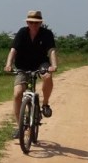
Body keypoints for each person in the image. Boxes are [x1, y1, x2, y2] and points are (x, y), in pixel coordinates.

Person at [4, 9, 58, 139]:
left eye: (37, 23)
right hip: (23, 66)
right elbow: (13, 50)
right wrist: (8, 64)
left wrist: (54, 65)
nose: (34, 25)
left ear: (40, 23)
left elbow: (51, 50)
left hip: (41, 64)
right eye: (31, 22)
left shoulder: (47, 34)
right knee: (17, 93)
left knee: (47, 76)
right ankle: (20, 127)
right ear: (27, 22)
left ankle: (45, 104)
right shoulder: (22, 33)